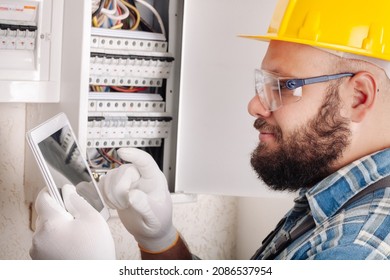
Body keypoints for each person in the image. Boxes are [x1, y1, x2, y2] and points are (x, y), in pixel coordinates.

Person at [30, 0, 390, 260]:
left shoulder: (354, 252)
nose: (255, 105)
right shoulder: (333, 202)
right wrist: (161, 241)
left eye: (281, 85)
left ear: (358, 96)